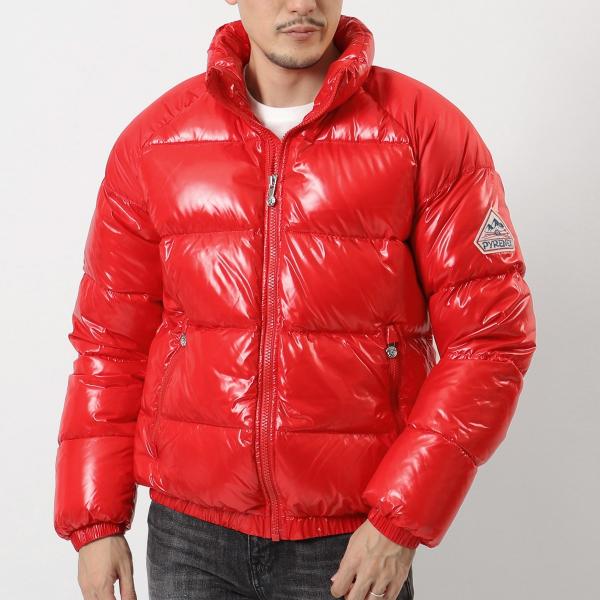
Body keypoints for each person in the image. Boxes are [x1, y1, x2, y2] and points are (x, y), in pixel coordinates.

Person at [53, 2, 537, 599]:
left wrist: (401, 519)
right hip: (189, 538)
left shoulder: (423, 131)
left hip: (350, 540)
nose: (302, 3)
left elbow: (490, 341)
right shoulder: (157, 140)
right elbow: (109, 343)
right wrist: (95, 522)